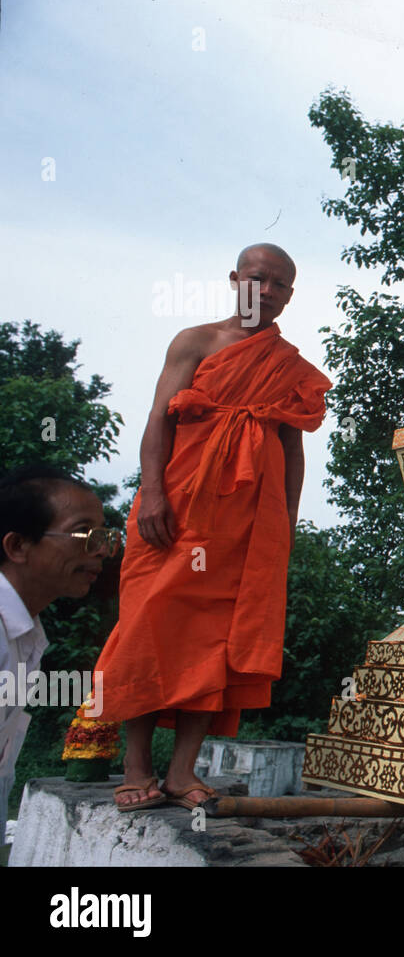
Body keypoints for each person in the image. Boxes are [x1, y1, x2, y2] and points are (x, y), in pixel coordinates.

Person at [94, 243, 332, 811]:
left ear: (290, 295)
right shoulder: (194, 343)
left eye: (279, 284)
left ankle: (181, 772)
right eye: (258, 278)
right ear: (235, 279)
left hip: (247, 524)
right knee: (148, 623)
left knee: (216, 641)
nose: (267, 291)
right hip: (175, 508)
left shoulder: (290, 366)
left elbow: (290, 447)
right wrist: (152, 494)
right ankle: (135, 765)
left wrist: (287, 520)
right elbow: (157, 420)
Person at [1, 465, 117, 817]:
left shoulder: (25, 633)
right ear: (18, 545)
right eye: (83, 534)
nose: (101, 551)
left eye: (105, 537)